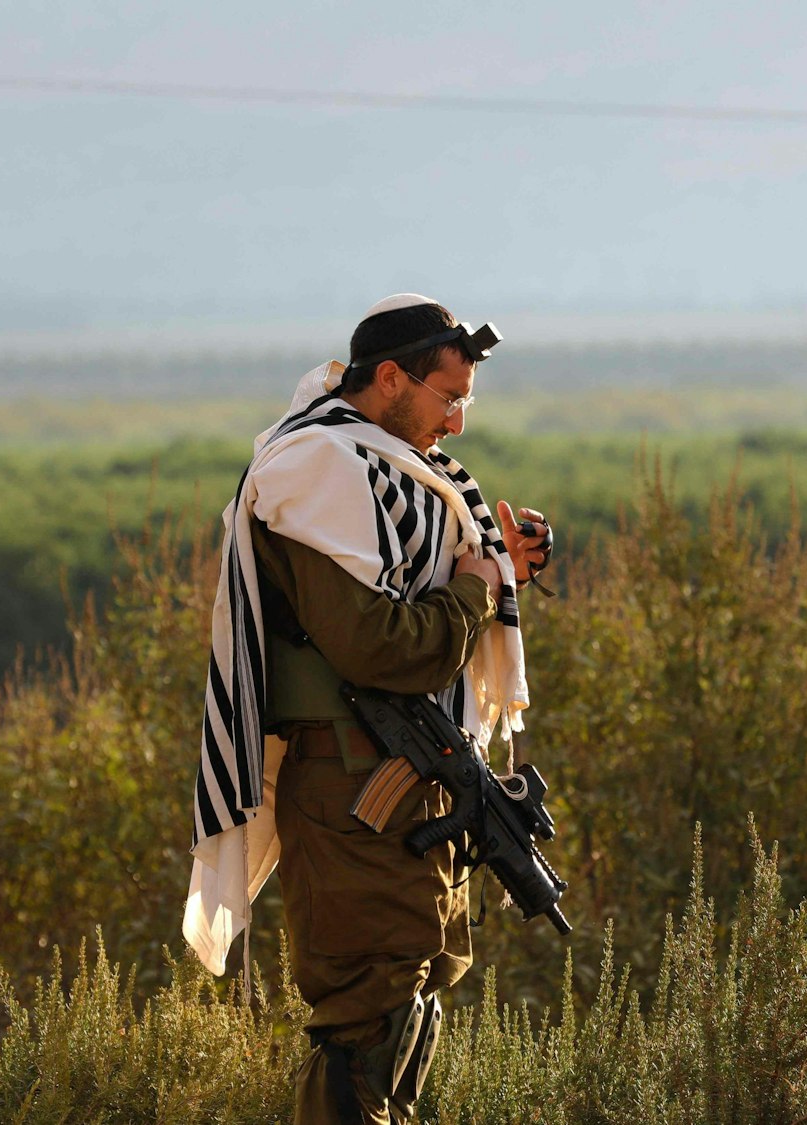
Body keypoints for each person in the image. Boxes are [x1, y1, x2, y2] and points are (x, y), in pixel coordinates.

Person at [184, 294, 555, 1124]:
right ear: (390, 378)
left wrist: (501, 577)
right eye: (446, 396)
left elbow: (415, 592)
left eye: (466, 400)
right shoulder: (315, 469)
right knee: (368, 1012)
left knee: (414, 989)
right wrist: (473, 588)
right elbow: (383, 646)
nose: (457, 422)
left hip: (406, 779)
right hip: (354, 789)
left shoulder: (382, 469)